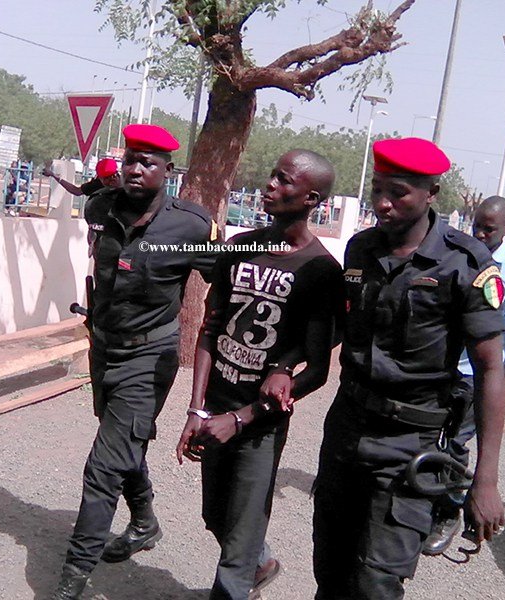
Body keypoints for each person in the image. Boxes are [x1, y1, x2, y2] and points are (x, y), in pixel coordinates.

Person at [312, 137, 505, 599]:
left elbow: (490, 371)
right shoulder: (360, 249)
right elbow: (342, 327)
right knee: (331, 572)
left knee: (377, 584)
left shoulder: (465, 263)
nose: (383, 202)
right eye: (377, 189)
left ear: (430, 193)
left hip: (410, 443)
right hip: (346, 430)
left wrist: (486, 480)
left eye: (397, 192)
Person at [51, 124, 219, 600]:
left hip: (150, 355)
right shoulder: (100, 207)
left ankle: (72, 577)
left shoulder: (191, 225)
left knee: (104, 466)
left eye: (149, 163)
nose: (136, 170)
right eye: (130, 160)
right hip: (104, 348)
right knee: (124, 442)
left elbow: (223, 283)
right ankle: (144, 522)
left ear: (168, 170)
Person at [176, 150, 344, 600]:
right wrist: (197, 409)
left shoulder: (321, 270)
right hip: (215, 406)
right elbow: (210, 330)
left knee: (239, 543)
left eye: (284, 180)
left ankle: (242, 572)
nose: (270, 185)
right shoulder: (239, 246)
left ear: (311, 199)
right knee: (216, 517)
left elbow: (317, 371)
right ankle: (263, 563)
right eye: (272, 175)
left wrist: (244, 416)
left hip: (260, 425)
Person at [423, 195, 505, 555]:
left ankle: (447, 513)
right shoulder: (459, 259)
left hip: (477, 378)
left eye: (488, 229)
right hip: (442, 369)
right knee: (427, 436)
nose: (479, 233)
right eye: (476, 225)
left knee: (455, 445)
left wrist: (504, 387)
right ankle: (420, 502)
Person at [43, 157, 120, 198]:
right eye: (105, 178)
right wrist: (54, 175)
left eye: (112, 176)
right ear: (99, 177)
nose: (110, 181)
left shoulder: (125, 184)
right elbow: (76, 191)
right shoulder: (97, 184)